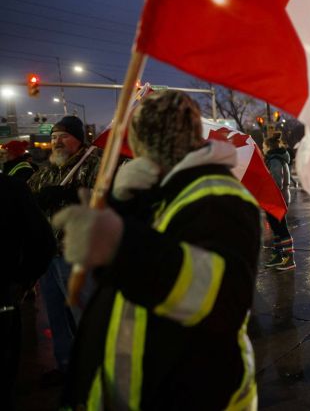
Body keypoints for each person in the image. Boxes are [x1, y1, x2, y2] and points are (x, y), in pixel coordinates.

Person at [53, 90, 263, 409]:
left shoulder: (219, 196)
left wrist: (122, 244)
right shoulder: (155, 191)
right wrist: (122, 204)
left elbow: (223, 297)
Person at [27, 115, 101, 383]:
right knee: (57, 316)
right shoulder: (47, 170)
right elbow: (30, 197)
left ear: (78, 139)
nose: (57, 141)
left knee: (84, 316)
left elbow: (105, 197)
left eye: (64, 136)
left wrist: (70, 195)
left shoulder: (94, 162)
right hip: (50, 254)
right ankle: (66, 365)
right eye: (54, 136)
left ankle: (93, 371)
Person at [0, 173, 55, 408]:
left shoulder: (11, 187)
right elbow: (42, 241)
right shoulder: (10, 187)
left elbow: (41, 242)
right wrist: (23, 280)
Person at [263, 135, 296, 271]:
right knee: (276, 227)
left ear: (269, 146)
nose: (262, 148)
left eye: (264, 146)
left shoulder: (275, 160)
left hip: (276, 198)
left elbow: (277, 181)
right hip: (278, 197)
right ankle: (278, 254)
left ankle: (289, 258)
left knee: (281, 228)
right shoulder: (276, 158)